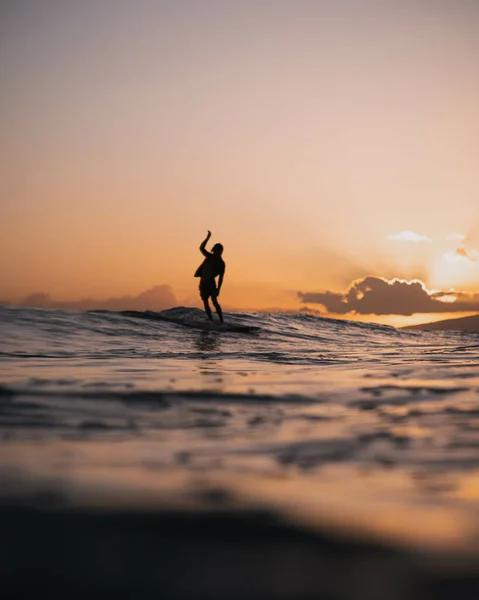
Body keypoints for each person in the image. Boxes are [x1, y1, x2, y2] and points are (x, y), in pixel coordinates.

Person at [194, 230, 225, 324]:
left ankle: (221, 321)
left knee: (214, 302)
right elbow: (201, 248)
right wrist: (207, 238)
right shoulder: (209, 256)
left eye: (218, 250)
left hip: (211, 283)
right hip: (203, 282)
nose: (216, 251)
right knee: (205, 302)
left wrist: (218, 289)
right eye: (215, 249)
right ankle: (211, 319)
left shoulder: (221, 263)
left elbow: (221, 277)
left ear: (220, 251)